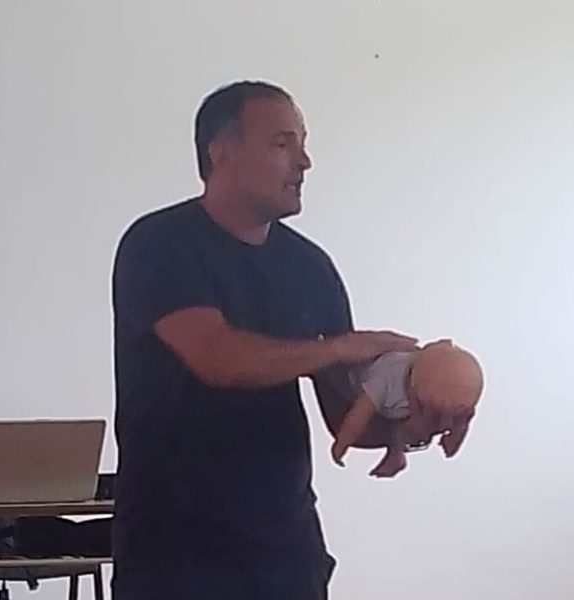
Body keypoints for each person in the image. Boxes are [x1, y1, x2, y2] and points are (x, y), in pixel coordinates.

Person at [111, 80, 418, 599]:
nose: (305, 162)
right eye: (282, 143)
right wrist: (340, 347)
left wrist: (413, 413)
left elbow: (345, 419)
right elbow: (219, 359)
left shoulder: (311, 267)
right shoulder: (159, 244)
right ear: (221, 153)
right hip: (175, 557)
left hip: (286, 552)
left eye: (303, 143)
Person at [327, 339, 484, 478]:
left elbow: (459, 422)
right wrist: (343, 442)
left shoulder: (433, 380)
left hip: (397, 412)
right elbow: (360, 412)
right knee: (396, 426)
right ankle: (396, 453)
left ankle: (397, 452)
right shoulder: (386, 378)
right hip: (351, 385)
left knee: (421, 423)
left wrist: (455, 436)